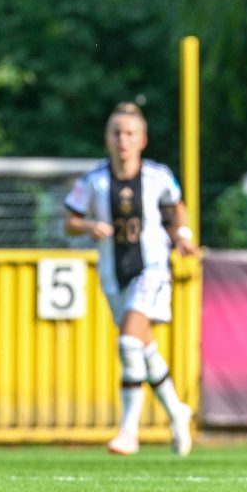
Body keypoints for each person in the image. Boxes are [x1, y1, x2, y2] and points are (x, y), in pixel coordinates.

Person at [63, 102, 199, 456]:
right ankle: (177, 411)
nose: (122, 140)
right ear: (107, 139)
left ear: (143, 140)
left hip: (151, 269)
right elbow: (69, 220)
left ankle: (128, 431)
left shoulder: (157, 176)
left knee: (127, 342)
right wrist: (89, 225)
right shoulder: (94, 181)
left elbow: (176, 203)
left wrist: (182, 233)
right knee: (145, 347)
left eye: (129, 133)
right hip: (113, 275)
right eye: (116, 133)